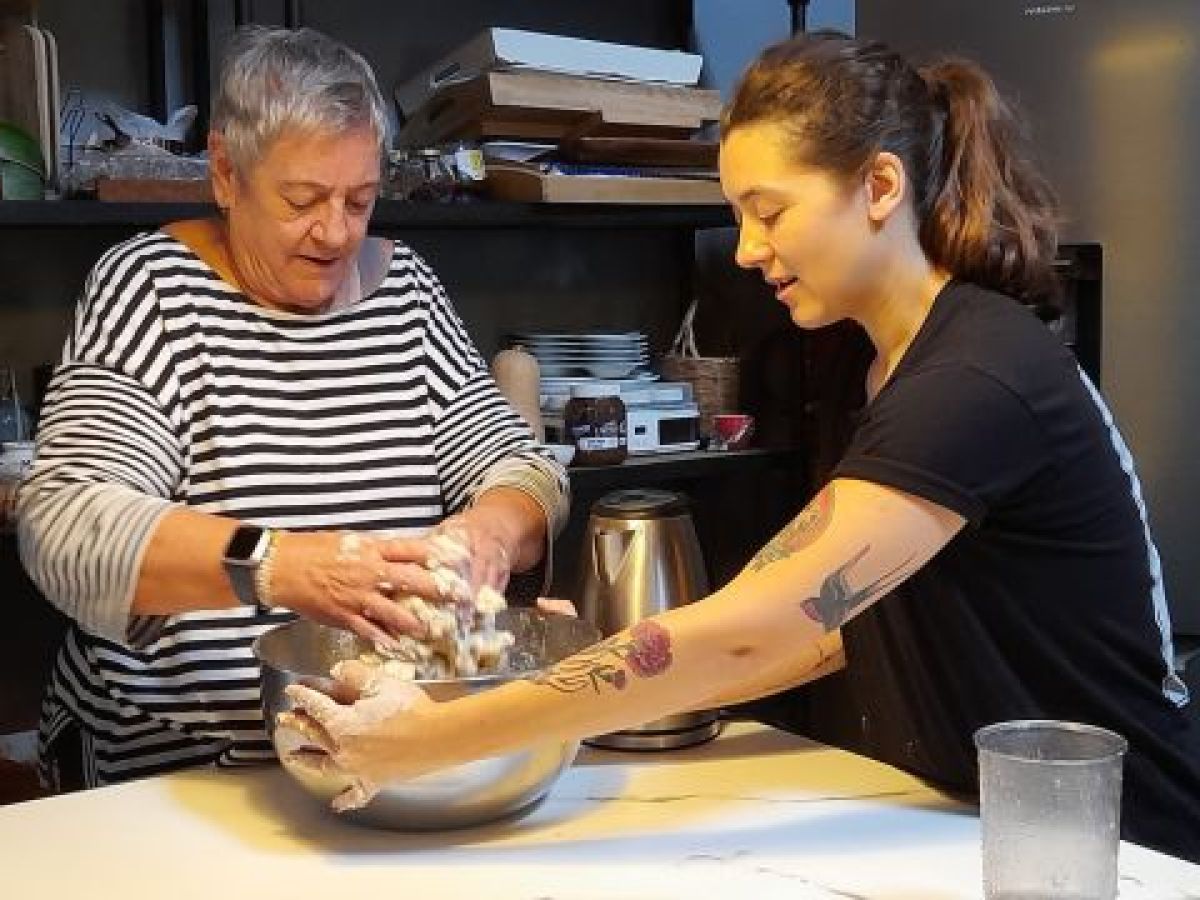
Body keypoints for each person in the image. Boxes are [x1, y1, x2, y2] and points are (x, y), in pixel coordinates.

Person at [280, 31, 1200, 862]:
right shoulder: (868, 366)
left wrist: (431, 734)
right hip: (985, 824)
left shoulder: (977, 378)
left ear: (881, 187)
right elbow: (827, 621)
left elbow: (757, 630)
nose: (750, 249)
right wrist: (573, 670)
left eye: (770, 210)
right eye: (739, 215)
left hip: (1124, 849)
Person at [16, 26, 567, 789]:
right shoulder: (151, 293)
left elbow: (526, 467)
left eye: (360, 200)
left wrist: (492, 533)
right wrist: (276, 565)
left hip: (387, 753)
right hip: (181, 766)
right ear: (225, 174)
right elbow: (66, 523)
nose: (336, 233)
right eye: (303, 200)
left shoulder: (406, 294)